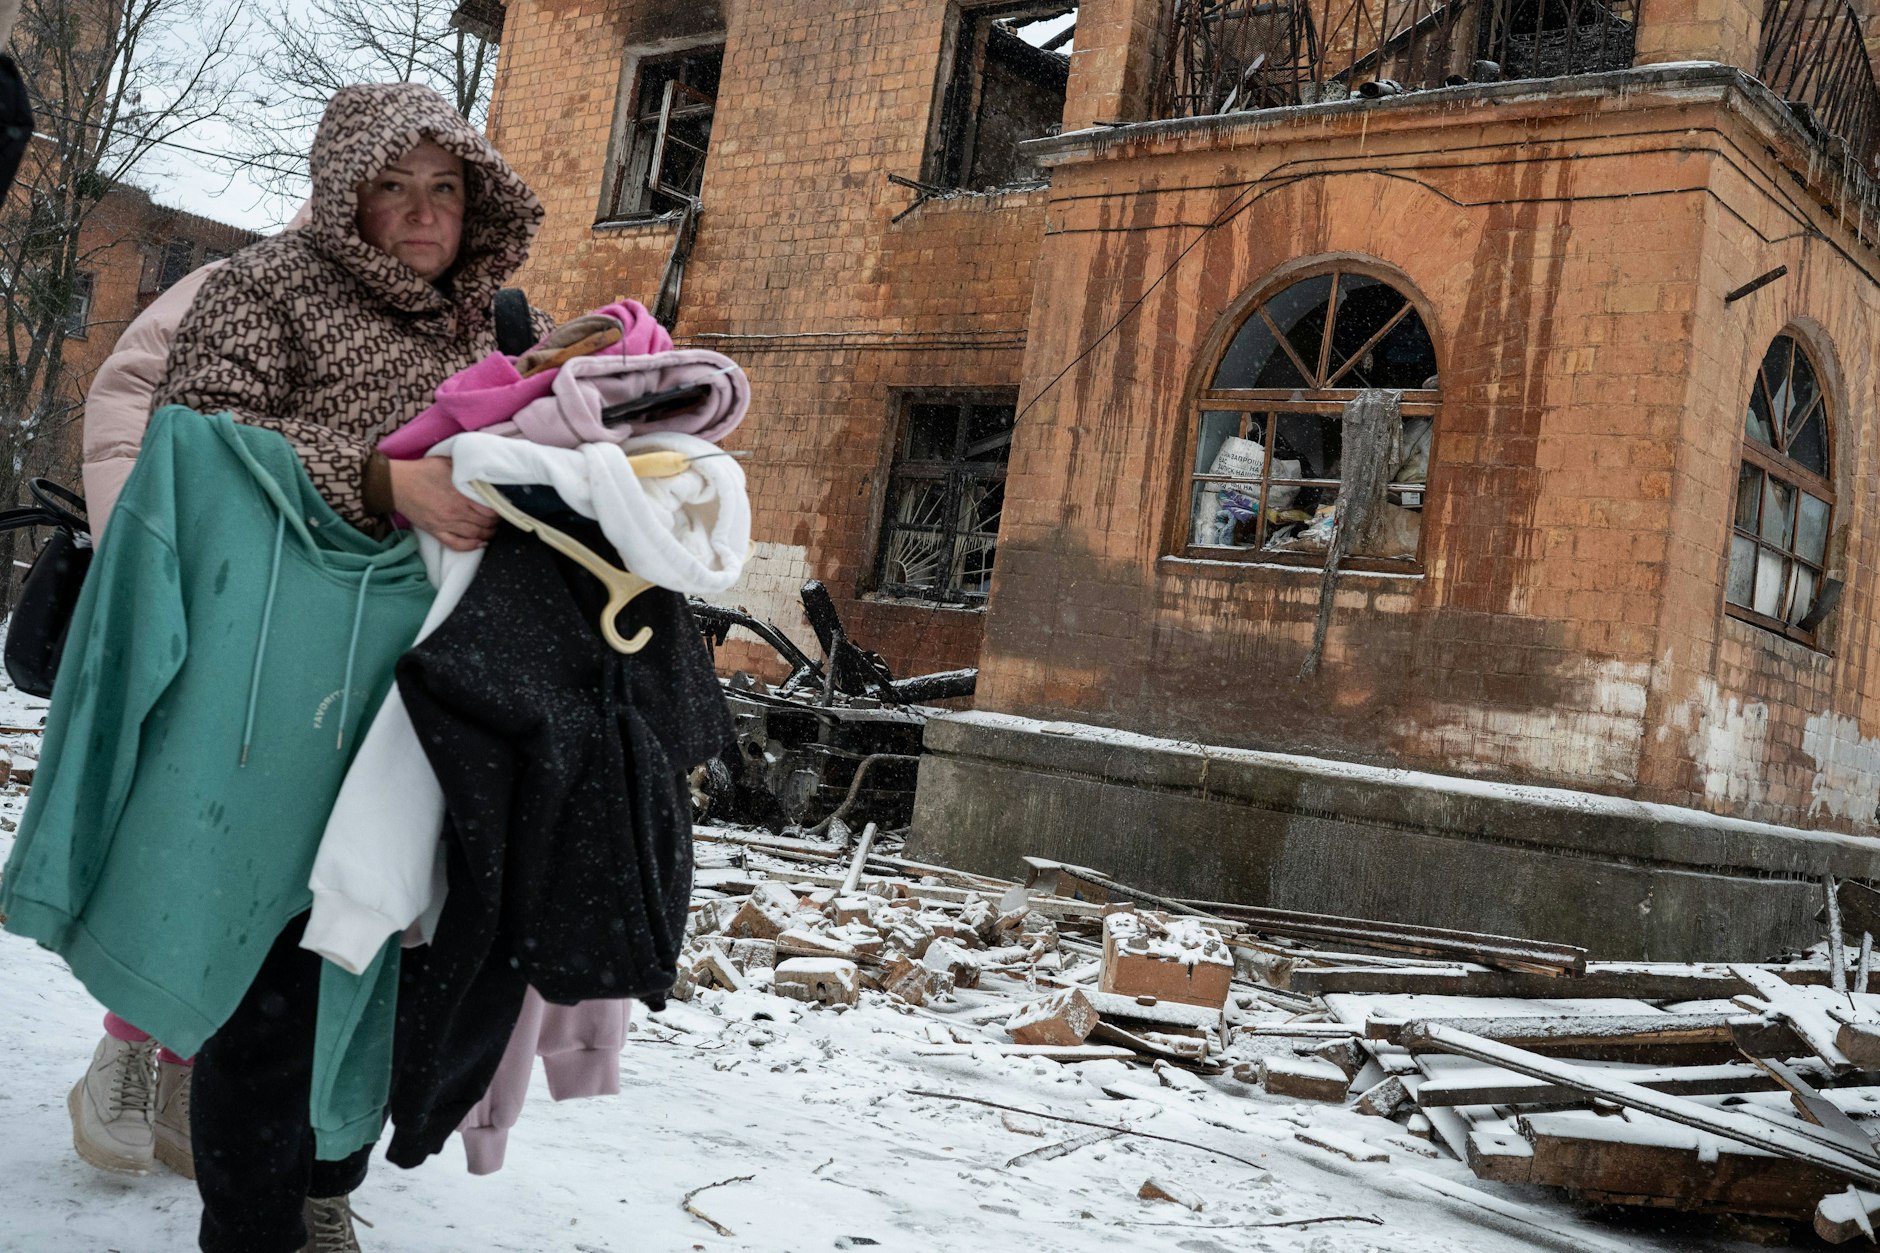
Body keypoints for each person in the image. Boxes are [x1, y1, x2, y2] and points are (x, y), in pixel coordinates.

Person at [140, 81, 545, 1253]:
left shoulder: (492, 325)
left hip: (430, 694)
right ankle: (252, 1224)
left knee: (396, 954)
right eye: (393, 188)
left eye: (446, 190)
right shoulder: (265, 288)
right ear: (344, 195)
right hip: (276, 688)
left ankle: (328, 1179)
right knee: (273, 961)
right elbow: (197, 434)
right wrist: (383, 480)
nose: (424, 215)